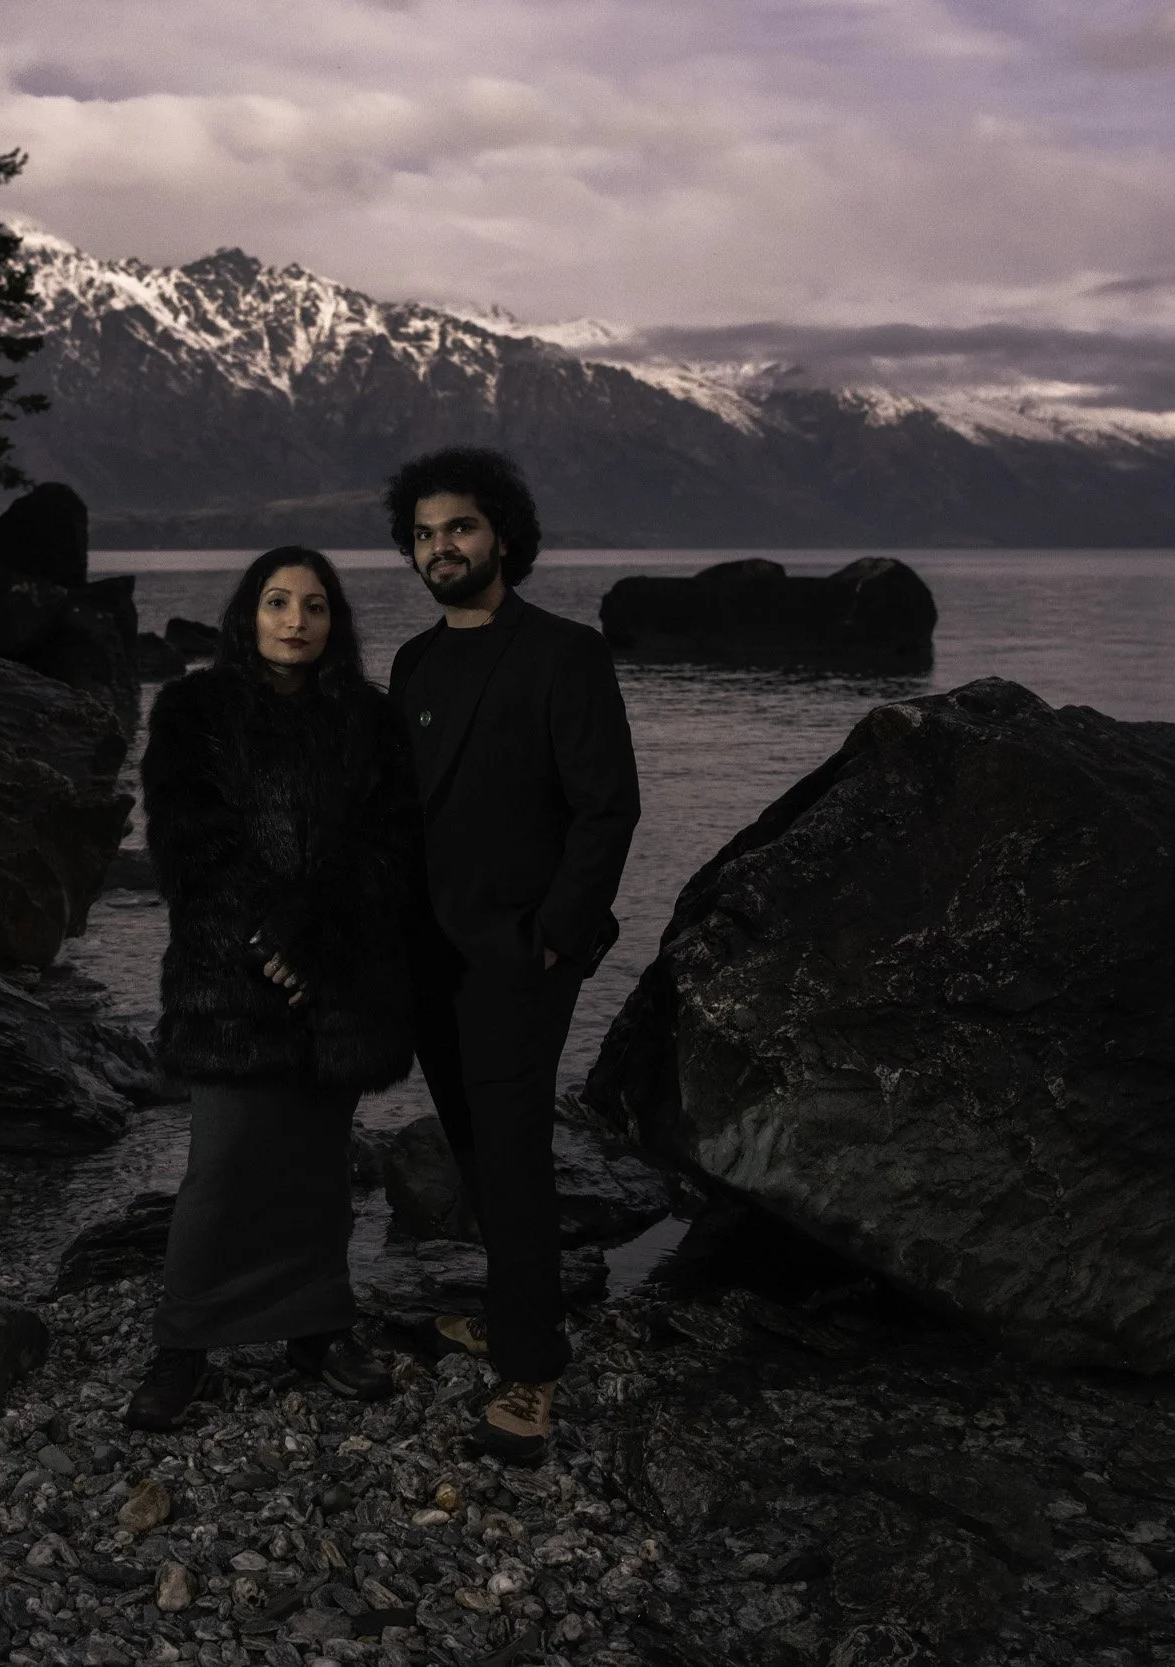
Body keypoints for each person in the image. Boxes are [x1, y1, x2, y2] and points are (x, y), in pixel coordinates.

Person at [123, 545, 421, 1431]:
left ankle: (318, 1328)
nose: (296, 621)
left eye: (315, 606)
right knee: (220, 1167)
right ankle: (185, 1345)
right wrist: (267, 937)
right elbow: (189, 841)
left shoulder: (370, 719)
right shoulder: (194, 709)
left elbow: (388, 846)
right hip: (229, 982)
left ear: (336, 623)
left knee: (318, 1169)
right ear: (248, 614)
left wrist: (314, 936)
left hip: (336, 982)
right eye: (278, 602)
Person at [384, 448, 639, 1464]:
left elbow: (606, 806)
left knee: (518, 1152)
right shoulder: (412, 664)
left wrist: (556, 937)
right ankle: (513, 1308)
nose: (440, 546)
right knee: (476, 1147)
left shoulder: (564, 654)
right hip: (427, 953)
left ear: (502, 537)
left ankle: (529, 1377)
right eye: (423, 533)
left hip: (519, 954)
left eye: (459, 527)